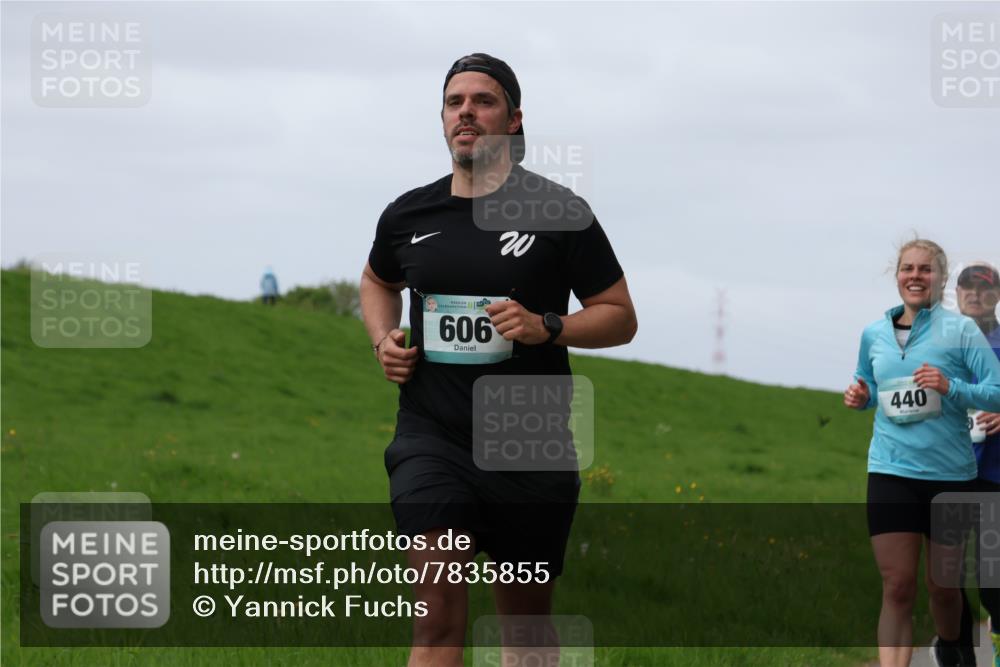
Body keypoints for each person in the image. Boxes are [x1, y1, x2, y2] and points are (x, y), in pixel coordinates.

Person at [360, 53, 636, 667]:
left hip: (528, 440)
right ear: (442, 119)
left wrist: (548, 326)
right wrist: (383, 340)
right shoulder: (408, 214)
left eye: (483, 101)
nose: (466, 112)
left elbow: (620, 316)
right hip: (432, 437)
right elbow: (377, 280)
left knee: (526, 628)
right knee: (435, 616)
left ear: (513, 120)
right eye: (454, 102)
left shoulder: (560, 212)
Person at [843, 240, 1000, 667]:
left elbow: (995, 391)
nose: (915, 276)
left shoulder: (962, 331)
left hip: (950, 477)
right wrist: (861, 397)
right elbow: (867, 383)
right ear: (896, 274)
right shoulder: (873, 333)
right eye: (908, 268)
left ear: (941, 278)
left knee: (943, 588)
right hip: (890, 470)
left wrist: (952, 387)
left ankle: (952, 649)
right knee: (897, 586)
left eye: (925, 269)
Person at [955, 263, 1000, 667]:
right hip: (947, 472)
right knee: (945, 577)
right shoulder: (940, 343)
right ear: (956, 294)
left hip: (993, 476)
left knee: (992, 580)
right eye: (966, 287)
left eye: (984, 288)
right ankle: (960, 655)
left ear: (996, 296)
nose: (975, 294)